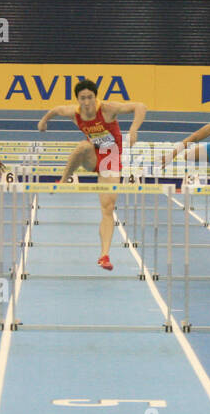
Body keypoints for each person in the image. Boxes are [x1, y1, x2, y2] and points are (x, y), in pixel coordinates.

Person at [37, 80, 148, 271]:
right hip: (92, 154)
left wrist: (133, 129)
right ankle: (63, 181)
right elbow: (55, 110)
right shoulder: (74, 112)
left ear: (95, 97)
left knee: (108, 208)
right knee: (82, 146)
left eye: (90, 97)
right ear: (78, 99)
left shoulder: (107, 109)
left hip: (110, 158)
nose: (87, 102)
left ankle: (104, 255)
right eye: (83, 98)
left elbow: (140, 106)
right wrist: (43, 121)